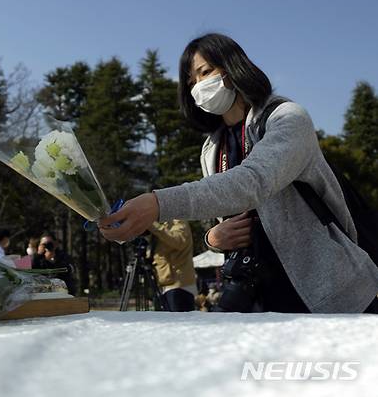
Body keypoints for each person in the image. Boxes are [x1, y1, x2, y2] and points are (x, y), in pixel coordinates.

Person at [99, 33, 378, 314]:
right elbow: (226, 209)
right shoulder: (211, 148)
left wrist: (158, 203)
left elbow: (253, 181)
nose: (198, 87)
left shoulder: (287, 117)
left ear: (232, 69)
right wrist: (213, 238)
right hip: (258, 298)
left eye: (204, 72)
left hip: (330, 294)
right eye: (191, 82)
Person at [150, 220, 196, 311]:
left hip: (178, 284)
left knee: (179, 323)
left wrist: (152, 225)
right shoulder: (163, 223)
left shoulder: (178, 220)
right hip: (164, 283)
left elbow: (178, 241)